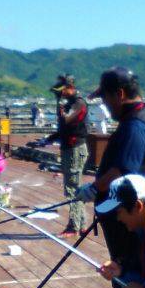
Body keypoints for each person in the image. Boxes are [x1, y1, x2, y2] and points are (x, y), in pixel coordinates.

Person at [77, 67, 145, 288]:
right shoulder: (140, 116)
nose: (104, 105)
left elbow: (122, 171)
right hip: (127, 208)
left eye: (105, 98)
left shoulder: (135, 126)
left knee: (129, 262)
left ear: (120, 93)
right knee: (121, 261)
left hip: (132, 212)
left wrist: (94, 188)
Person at [45, 74, 89, 237]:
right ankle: (82, 224)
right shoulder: (71, 103)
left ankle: (73, 226)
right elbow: (64, 127)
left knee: (72, 188)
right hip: (69, 147)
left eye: (62, 91)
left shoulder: (79, 103)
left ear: (70, 88)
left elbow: (68, 120)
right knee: (75, 186)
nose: (60, 94)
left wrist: (60, 107)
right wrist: (50, 138)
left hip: (75, 149)